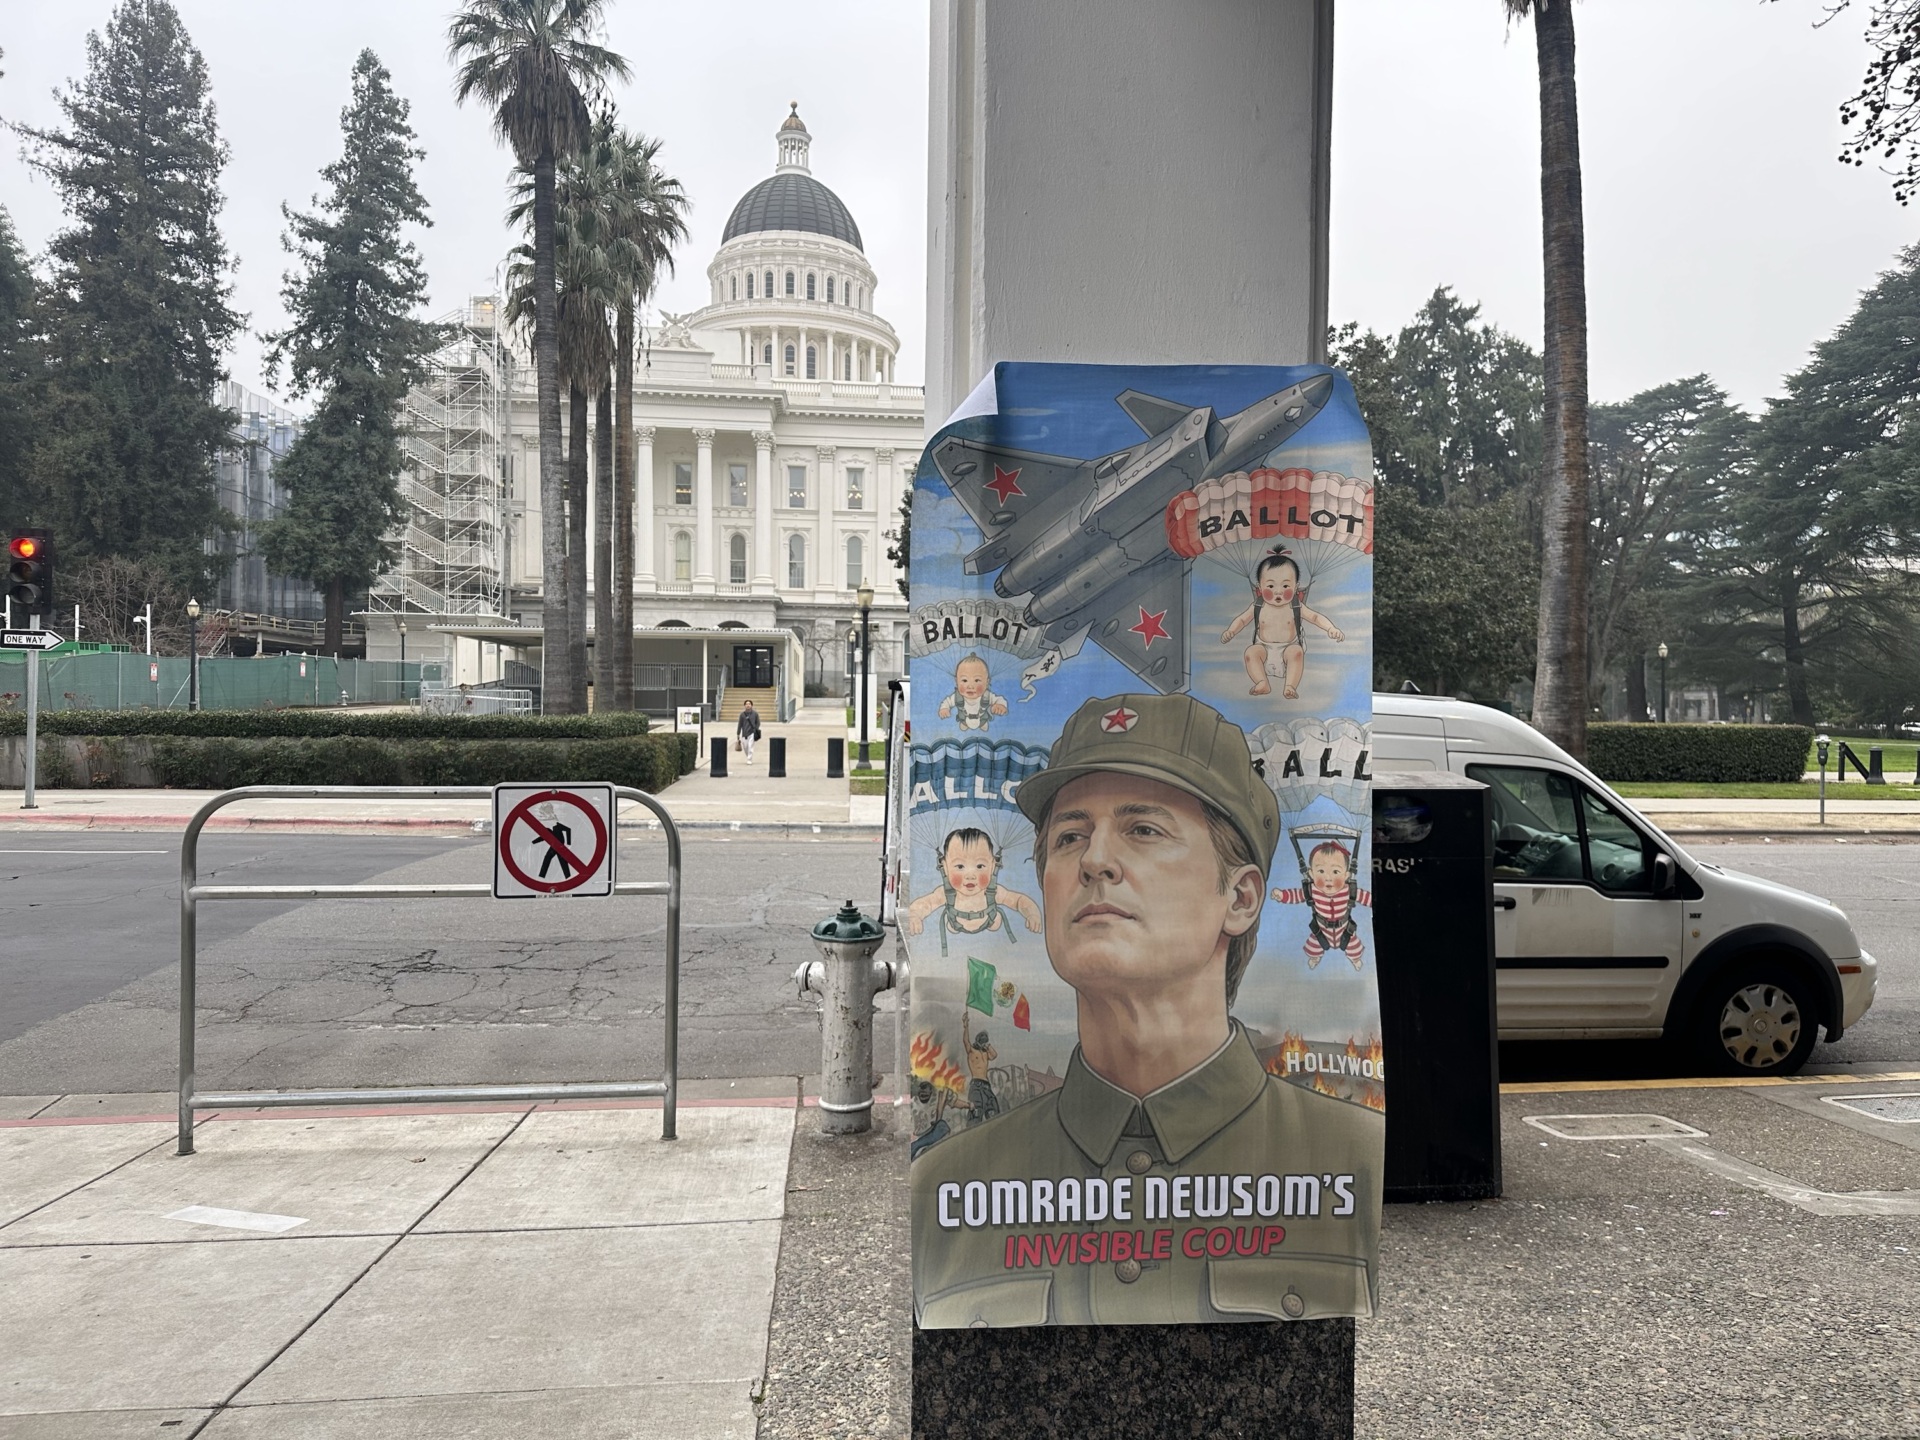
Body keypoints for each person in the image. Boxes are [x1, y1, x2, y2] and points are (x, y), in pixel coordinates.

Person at [910, 691, 1382, 1328]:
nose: (1095, 861)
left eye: (1144, 830)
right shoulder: (949, 1183)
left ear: (1240, 898)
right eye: (1070, 836)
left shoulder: (1352, 1159)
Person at [1219, 547, 1344, 698]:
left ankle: (1290, 686)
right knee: (1251, 653)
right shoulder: (1258, 605)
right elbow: (1242, 619)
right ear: (1260, 587)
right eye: (1271, 586)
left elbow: (1315, 617)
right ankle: (1262, 682)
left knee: (1296, 652)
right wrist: (1231, 631)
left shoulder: (1295, 605)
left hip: (1288, 651)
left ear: (1296, 587)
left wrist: (1331, 628)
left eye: (1285, 586)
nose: (1278, 591)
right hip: (1264, 650)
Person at [903, 827, 1042, 955]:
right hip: (955, 923)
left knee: (995, 923)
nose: (970, 875)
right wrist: (915, 916)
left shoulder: (993, 892)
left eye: (980, 866)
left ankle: (993, 921)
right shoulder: (946, 893)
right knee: (951, 927)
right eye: (960, 866)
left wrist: (1032, 914)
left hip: (989, 920)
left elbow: (1018, 901)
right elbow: (927, 903)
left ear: (993, 866)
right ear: (944, 867)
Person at [1272, 840, 1372, 969]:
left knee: (1354, 947)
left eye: (1335, 872)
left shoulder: (1349, 891)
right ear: (1311, 874)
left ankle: (1355, 959)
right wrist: (1282, 895)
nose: (1328, 878)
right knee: (1313, 947)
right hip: (1321, 930)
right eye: (1321, 871)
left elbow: (1367, 898)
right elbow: (1296, 895)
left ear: (1346, 875)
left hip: (1345, 930)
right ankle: (1315, 958)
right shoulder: (1312, 891)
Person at [937, 653, 1009, 730]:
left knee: (984, 727)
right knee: (963, 727)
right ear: (956, 681)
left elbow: (999, 699)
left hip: (982, 721)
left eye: (977, 680)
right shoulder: (957, 697)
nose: (970, 686)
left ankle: (982, 724)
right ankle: (965, 724)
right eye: (964, 680)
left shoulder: (987, 696)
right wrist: (944, 708)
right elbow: (947, 702)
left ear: (987, 682)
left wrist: (1000, 705)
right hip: (964, 720)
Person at [736, 699, 762, 764]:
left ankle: (749, 759)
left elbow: (758, 722)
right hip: (744, 733)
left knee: (750, 746)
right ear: (744, 705)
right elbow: (740, 724)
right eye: (746, 704)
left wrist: (755, 729)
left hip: (752, 733)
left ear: (751, 705)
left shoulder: (755, 714)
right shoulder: (742, 715)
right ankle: (748, 756)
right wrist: (738, 733)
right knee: (745, 747)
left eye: (749, 704)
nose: (748, 705)